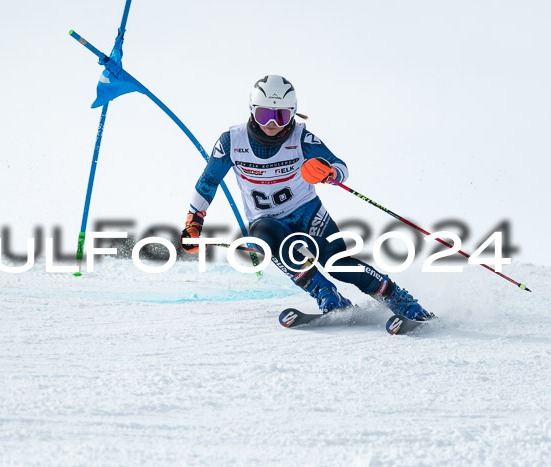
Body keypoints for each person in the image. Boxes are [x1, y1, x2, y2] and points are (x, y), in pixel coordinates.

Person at [180, 74, 433, 320]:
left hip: (308, 214)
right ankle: (325, 293)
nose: (272, 123)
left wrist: (329, 171)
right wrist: (194, 222)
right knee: (263, 236)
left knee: (337, 264)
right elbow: (208, 182)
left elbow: (340, 166)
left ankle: (400, 300)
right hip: (265, 219)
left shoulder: (301, 138)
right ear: (252, 111)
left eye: (281, 116)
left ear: (292, 113)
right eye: (264, 114)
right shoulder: (231, 142)